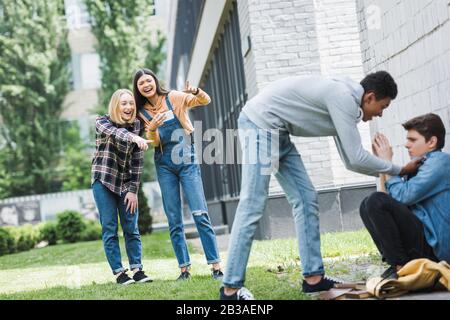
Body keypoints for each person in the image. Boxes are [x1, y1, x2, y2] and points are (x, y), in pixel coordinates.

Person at [220, 71, 423, 300]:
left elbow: (349, 160)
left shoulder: (347, 101)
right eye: (382, 107)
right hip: (260, 126)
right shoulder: (343, 98)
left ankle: (313, 279)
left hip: (279, 132)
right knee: (253, 203)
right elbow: (356, 158)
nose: (380, 114)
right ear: (370, 97)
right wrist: (399, 169)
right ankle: (231, 289)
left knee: (306, 198)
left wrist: (388, 169)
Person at [133, 68, 223, 281]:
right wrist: (152, 129)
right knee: (174, 219)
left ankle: (216, 266)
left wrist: (196, 91)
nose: (146, 85)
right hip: (164, 164)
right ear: (138, 89)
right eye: (141, 83)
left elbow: (205, 101)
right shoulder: (142, 112)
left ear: (154, 81)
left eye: (148, 80)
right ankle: (184, 269)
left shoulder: (173, 97)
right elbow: (154, 143)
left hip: (186, 159)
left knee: (200, 212)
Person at [360, 113, 450, 280]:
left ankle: (403, 269)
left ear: (431, 142)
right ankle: (399, 265)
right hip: (422, 242)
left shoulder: (440, 162)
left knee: (375, 200)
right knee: (366, 204)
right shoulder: (420, 164)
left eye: (413, 140)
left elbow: (403, 196)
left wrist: (390, 165)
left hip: (436, 251)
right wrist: (383, 165)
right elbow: (386, 200)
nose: (406, 145)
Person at [92, 89, 153, 285]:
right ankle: (119, 273)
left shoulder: (137, 125)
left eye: (131, 104)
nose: (128, 107)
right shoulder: (102, 122)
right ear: (116, 105)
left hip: (126, 183)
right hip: (104, 181)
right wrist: (134, 138)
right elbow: (115, 132)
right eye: (124, 103)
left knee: (131, 228)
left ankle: (137, 270)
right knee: (110, 228)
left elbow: (137, 161)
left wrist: (133, 190)